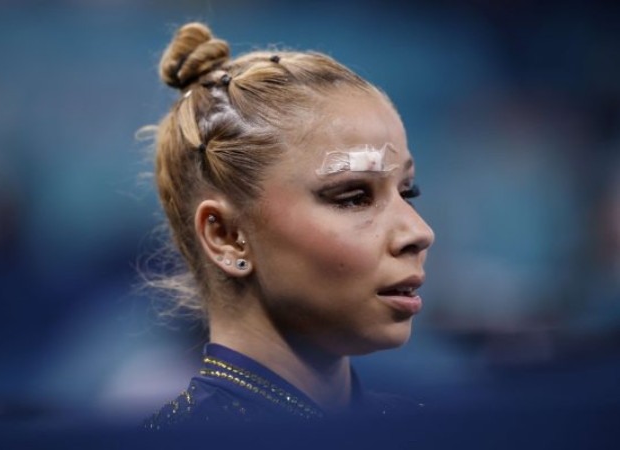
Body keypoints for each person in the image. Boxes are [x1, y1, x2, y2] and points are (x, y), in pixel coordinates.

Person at [144, 22, 434, 431]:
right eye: (353, 197)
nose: (418, 232)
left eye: (408, 191)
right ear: (226, 236)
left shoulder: (424, 431)